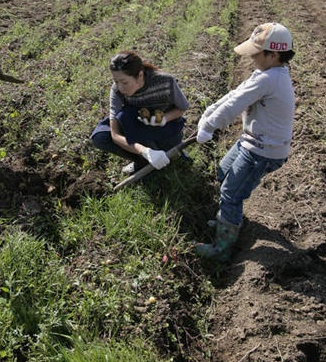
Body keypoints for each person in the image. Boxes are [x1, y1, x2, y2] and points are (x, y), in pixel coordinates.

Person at [195, 22, 295, 262]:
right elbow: (235, 94)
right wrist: (208, 115)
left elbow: (235, 105)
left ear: (273, 55)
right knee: (223, 172)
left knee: (231, 194)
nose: (251, 58)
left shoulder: (269, 79)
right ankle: (228, 219)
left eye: (256, 53)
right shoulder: (267, 73)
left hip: (263, 150)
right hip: (251, 141)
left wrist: (209, 127)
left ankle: (222, 248)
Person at [91, 51, 189, 174]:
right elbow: (115, 135)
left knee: (167, 153)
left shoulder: (165, 81)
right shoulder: (117, 91)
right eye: (116, 81)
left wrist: (165, 118)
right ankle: (142, 161)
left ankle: (164, 153)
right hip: (138, 127)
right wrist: (144, 151)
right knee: (101, 137)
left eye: (125, 82)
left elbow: (182, 107)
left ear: (140, 75)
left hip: (165, 129)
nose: (120, 88)